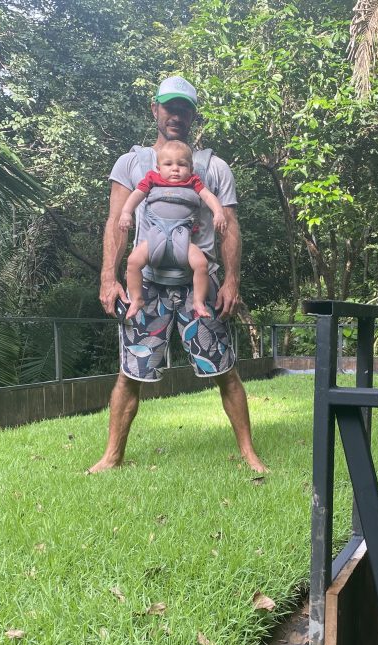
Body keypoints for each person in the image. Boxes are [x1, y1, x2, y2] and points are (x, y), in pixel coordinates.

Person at [88, 76, 266, 474]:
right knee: (128, 374)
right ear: (155, 110)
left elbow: (231, 226)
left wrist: (233, 280)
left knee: (227, 372)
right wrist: (107, 276)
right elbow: (116, 221)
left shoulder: (212, 167)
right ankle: (112, 456)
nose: (176, 115)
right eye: (169, 107)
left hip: (198, 285)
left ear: (192, 115)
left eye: (184, 108)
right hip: (146, 285)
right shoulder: (132, 164)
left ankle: (249, 454)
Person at [117, 139, 226, 320]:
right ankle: (136, 299)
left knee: (201, 264)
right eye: (168, 164)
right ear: (159, 168)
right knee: (133, 262)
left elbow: (209, 196)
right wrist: (126, 213)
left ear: (191, 168)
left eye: (181, 165)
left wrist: (219, 213)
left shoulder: (193, 182)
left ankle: (198, 301)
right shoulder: (152, 179)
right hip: (155, 236)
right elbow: (136, 195)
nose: (175, 169)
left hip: (182, 237)